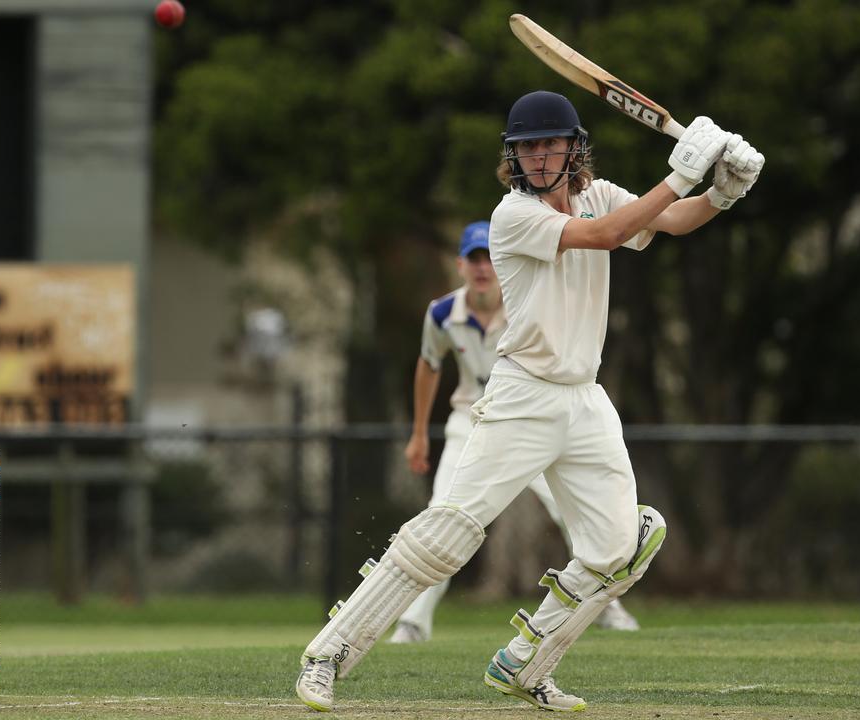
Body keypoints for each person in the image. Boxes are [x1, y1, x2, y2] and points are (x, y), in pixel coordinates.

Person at [295, 90, 763, 712]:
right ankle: (328, 653)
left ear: (573, 148)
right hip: (523, 395)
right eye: (527, 148)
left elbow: (670, 221)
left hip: (584, 399)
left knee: (622, 547)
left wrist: (723, 192)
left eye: (549, 144)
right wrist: (681, 170)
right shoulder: (512, 215)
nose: (539, 157)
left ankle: (524, 664)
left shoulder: (599, 192)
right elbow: (603, 236)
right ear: (512, 158)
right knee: (447, 536)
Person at [388, 220, 638, 646]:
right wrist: (418, 434)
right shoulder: (444, 313)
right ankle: (414, 621)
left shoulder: (526, 306)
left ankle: (605, 605)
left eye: (488, 257)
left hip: (531, 419)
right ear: (461, 265)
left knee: (572, 511)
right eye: (473, 259)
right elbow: (428, 364)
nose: (482, 267)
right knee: (444, 516)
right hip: (471, 421)